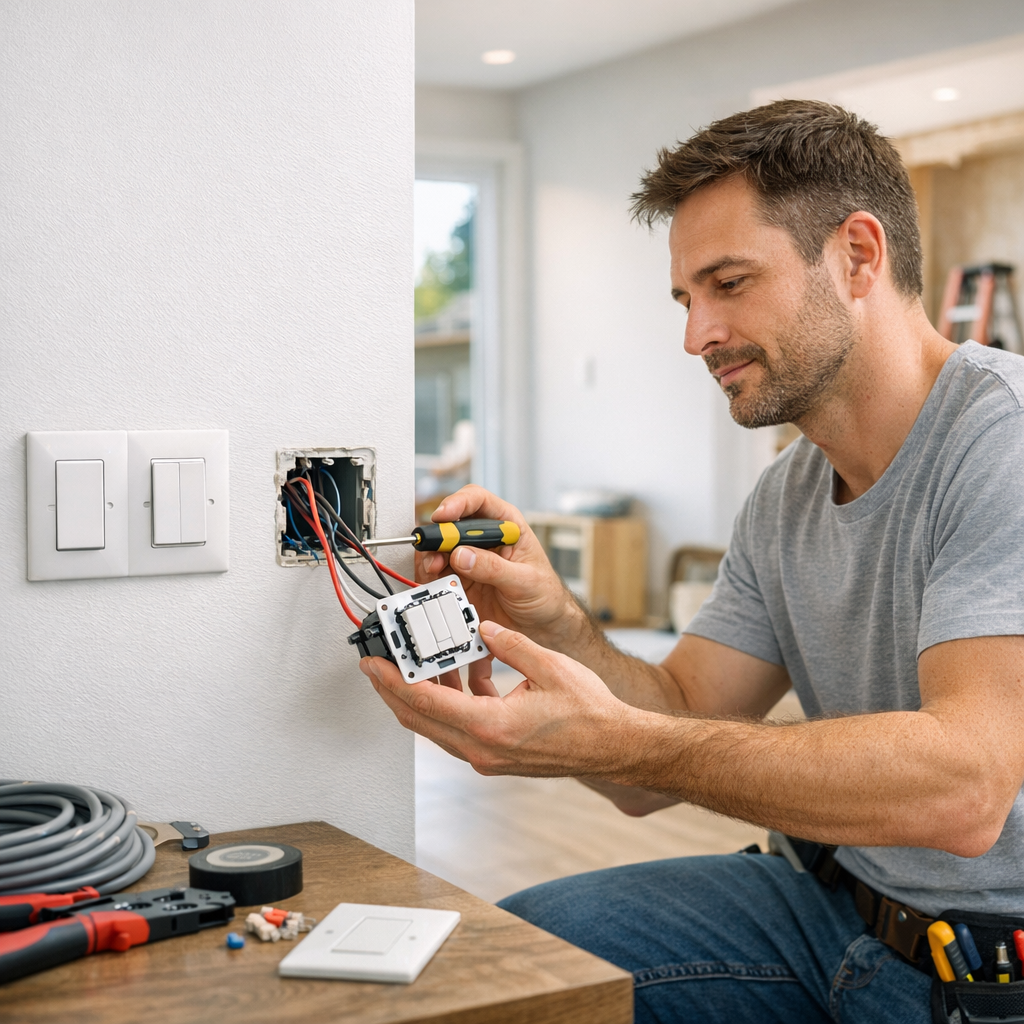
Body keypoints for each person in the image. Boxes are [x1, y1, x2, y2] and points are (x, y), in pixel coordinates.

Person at [361, 100, 1024, 1023]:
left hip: (987, 971)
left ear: (859, 257)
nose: (696, 335)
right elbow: (663, 741)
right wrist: (552, 618)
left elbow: (966, 789)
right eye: (686, 298)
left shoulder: (1003, 443)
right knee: (501, 971)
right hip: (822, 903)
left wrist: (629, 740)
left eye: (730, 283)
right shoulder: (788, 494)